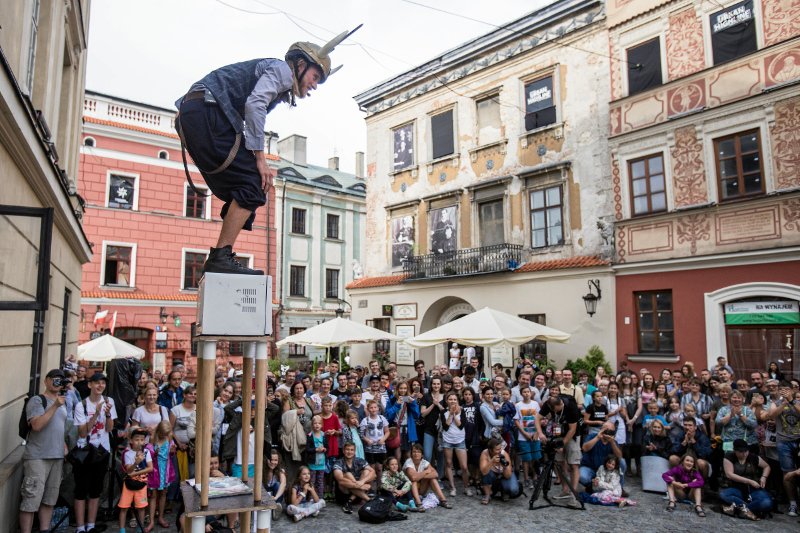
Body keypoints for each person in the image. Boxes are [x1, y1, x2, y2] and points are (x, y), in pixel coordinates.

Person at [174, 27, 359, 275]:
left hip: (195, 115)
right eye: (315, 77)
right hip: (206, 113)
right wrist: (260, 158)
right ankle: (220, 256)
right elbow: (255, 105)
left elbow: (248, 112)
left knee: (244, 186)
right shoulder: (282, 71)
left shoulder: (275, 80)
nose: (314, 86)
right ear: (301, 65)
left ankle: (222, 256)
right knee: (253, 182)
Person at [19, 369, 68, 533]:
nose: (58, 382)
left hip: (57, 456)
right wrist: (54, 406)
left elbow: (59, 427)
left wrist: (64, 444)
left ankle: (44, 530)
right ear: (46, 381)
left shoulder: (63, 402)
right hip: (37, 457)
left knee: (49, 500)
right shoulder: (37, 401)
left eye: (60, 380)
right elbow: (37, 425)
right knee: (31, 500)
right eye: (54, 379)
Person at [73, 372, 117, 533]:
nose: (100, 386)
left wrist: (106, 413)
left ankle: (91, 525)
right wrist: (97, 413)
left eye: (103, 383)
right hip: (85, 452)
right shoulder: (81, 405)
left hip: (102, 451)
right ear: (90, 385)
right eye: (97, 383)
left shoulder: (109, 401)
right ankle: (80, 527)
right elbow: (83, 433)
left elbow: (110, 428)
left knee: (95, 490)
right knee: (81, 490)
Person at [536, 390, 582, 508]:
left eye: (556, 410)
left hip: (573, 435)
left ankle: (573, 494)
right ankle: (565, 489)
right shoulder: (548, 404)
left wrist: (563, 444)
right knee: (559, 462)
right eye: (553, 410)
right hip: (557, 433)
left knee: (573, 464)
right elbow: (537, 418)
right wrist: (540, 433)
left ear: (561, 404)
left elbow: (572, 429)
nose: (555, 412)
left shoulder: (571, 406)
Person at [766, 382, 800, 517]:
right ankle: (793, 503)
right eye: (782, 390)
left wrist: (792, 400)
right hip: (783, 442)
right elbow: (772, 415)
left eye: (787, 390)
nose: (784, 392)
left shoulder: (797, 400)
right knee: (787, 473)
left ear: (792, 390)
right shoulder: (776, 402)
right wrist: (784, 402)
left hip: (799, 440)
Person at [720, 439, 772, 520]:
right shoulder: (729, 457)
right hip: (737, 488)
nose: (744, 454)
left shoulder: (753, 457)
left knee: (767, 503)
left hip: (754, 489)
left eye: (746, 451)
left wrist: (764, 477)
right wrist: (749, 481)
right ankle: (748, 509)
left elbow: (767, 466)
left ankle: (741, 508)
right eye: (741, 452)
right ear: (735, 451)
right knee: (723, 494)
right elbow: (729, 475)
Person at [119, 429, 153, 533]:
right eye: (137, 439)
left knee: (141, 507)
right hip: (129, 484)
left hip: (142, 484)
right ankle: (122, 529)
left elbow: (150, 468)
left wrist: (134, 474)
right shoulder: (127, 453)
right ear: (131, 440)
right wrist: (136, 462)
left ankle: (140, 527)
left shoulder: (146, 452)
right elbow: (128, 469)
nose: (139, 442)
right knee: (124, 507)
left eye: (142, 440)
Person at [579, 421, 625, 490]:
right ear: (601, 429)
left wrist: (612, 442)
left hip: (606, 470)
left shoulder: (613, 441)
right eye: (606, 430)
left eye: (611, 431)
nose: (608, 433)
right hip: (590, 468)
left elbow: (619, 456)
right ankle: (591, 486)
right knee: (582, 476)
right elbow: (585, 448)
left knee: (622, 462)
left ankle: (619, 488)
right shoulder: (592, 436)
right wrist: (597, 437)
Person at [146, 420, 175, 531]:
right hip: (155, 470)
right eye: (163, 434)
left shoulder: (169, 438)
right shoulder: (153, 438)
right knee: (153, 495)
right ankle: (151, 521)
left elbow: (171, 454)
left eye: (166, 434)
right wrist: (154, 453)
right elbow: (148, 454)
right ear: (159, 431)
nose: (164, 436)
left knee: (163, 493)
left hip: (165, 470)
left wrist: (172, 452)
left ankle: (161, 517)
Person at [440, 392, 470, 498]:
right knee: (448, 463)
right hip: (447, 440)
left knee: (464, 467)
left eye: (454, 399)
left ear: (457, 401)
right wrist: (450, 414)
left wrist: (454, 415)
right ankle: (453, 487)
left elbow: (461, 426)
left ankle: (466, 487)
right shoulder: (443, 411)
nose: (453, 401)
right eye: (450, 399)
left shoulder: (462, 411)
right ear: (447, 401)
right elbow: (446, 426)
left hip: (460, 440)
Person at [403, 443, 450, 509]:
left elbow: (436, 474)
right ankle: (419, 503)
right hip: (408, 491)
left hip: (421, 489)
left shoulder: (424, 462)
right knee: (414, 482)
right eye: (414, 452)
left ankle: (443, 500)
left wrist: (421, 476)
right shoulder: (408, 462)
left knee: (433, 479)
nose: (416, 454)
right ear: (411, 454)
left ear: (422, 455)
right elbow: (413, 478)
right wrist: (425, 472)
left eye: (418, 452)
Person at [333, 441, 376, 514]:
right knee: (348, 474)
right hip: (343, 495)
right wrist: (360, 486)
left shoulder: (359, 460)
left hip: (358, 496)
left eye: (351, 450)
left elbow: (374, 474)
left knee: (367, 471)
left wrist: (362, 482)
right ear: (343, 451)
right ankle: (368, 500)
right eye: (347, 449)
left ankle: (349, 501)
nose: (349, 452)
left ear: (355, 451)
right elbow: (340, 480)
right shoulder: (338, 462)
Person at [478, 437, 520, 504]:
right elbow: (483, 472)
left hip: (503, 476)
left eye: (500, 448)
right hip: (492, 475)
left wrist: (504, 467)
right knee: (486, 473)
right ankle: (487, 495)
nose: (500, 451)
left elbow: (508, 476)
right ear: (490, 450)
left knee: (514, 490)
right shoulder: (485, 453)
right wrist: (491, 461)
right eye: (497, 449)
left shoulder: (504, 454)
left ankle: (504, 490)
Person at [360, 399, 389, 480]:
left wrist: (383, 439)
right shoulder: (365, 420)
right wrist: (367, 440)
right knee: (371, 468)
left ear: (378, 408)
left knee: (380, 468)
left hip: (381, 447)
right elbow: (361, 434)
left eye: (375, 407)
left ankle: (380, 486)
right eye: (371, 408)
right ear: (368, 409)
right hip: (370, 448)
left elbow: (387, 431)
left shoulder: (382, 418)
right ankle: (372, 487)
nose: (373, 409)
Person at [306, 415, 327, 499]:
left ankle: (320, 498)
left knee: (320, 482)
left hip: (321, 463)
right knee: (312, 481)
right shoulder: (310, 435)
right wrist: (315, 449)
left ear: (321, 425)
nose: (317, 425)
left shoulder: (323, 435)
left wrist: (325, 449)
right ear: (312, 425)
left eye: (319, 423)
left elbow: (327, 447)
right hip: (313, 464)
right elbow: (308, 449)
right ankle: (311, 498)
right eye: (315, 423)